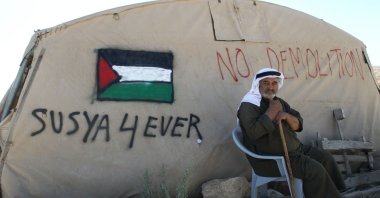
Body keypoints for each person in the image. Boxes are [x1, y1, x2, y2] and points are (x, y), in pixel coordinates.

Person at [237, 68, 346, 198]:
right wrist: (272, 112)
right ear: (258, 84)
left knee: (326, 159)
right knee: (315, 169)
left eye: (274, 83)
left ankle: (337, 193)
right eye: (266, 83)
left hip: (295, 150)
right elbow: (253, 133)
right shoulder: (248, 105)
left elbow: (298, 124)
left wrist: (287, 116)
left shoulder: (278, 101)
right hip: (272, 160)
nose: (270, 87)